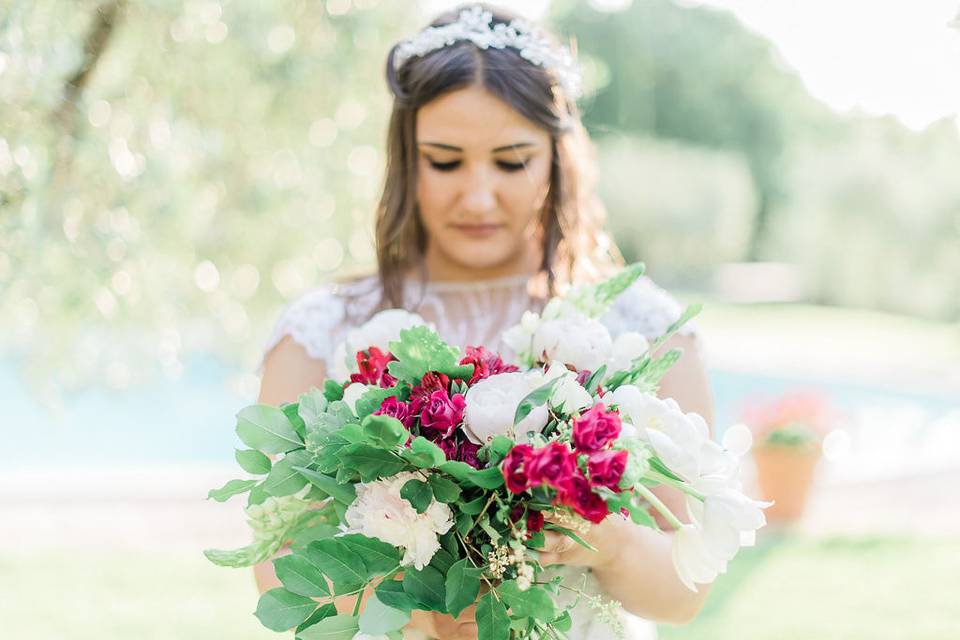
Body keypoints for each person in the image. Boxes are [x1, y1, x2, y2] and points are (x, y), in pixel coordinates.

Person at [254, 4, 715, 639]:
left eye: (510, 160)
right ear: (405, 158)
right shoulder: (319, 331)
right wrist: (425, 604)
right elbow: (283, 577)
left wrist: (605, 542)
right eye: (445, 161)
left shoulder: (649, 327)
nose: (477, 196)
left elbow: (687, 590)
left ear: (556, 156)